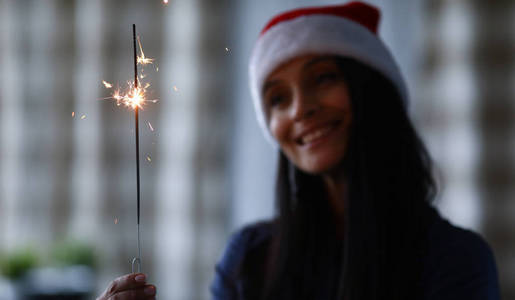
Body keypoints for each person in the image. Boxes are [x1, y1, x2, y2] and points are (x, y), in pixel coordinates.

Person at [97, 2, 501, 300]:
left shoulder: (456, 261)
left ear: (373, 90)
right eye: (276, 99)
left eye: (323, 78)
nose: (300, 109)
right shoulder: (248, 258)